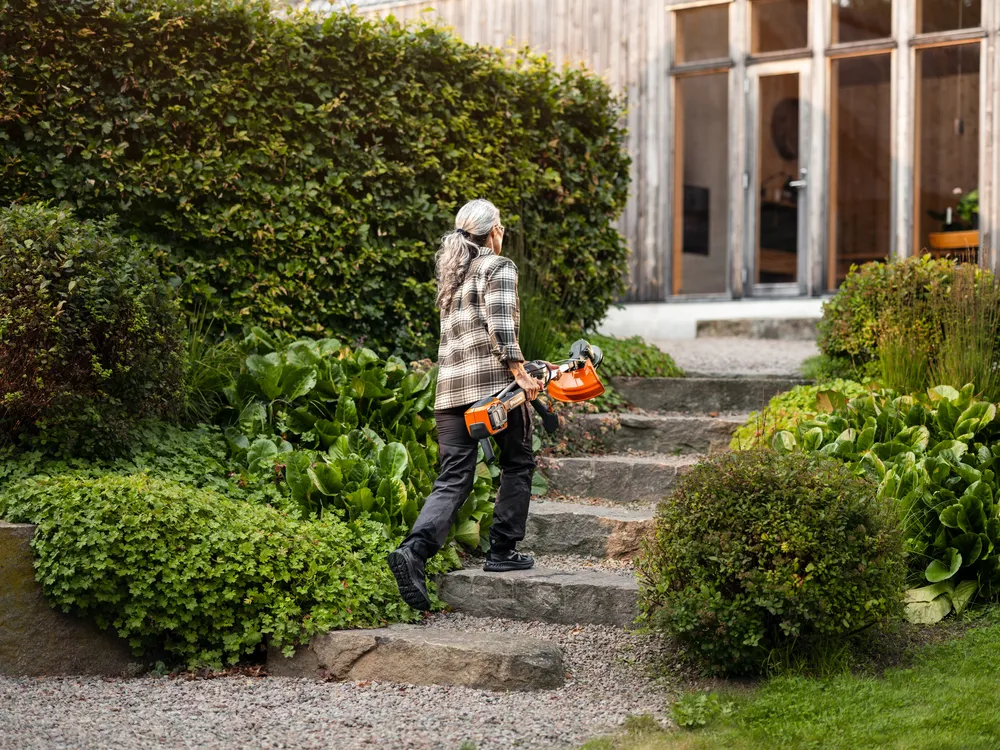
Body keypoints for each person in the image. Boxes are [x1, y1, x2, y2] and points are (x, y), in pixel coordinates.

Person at [387, 198, 544, 611]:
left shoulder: (452, 277)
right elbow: (502, 327)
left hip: (449, 395)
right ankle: (502, 551)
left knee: (453, 478)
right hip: (492, 393)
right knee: (517, 463)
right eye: (502, 226)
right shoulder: (498, 265)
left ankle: (413, 554)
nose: (504, 232)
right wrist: (522, 375)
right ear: (492, 231)